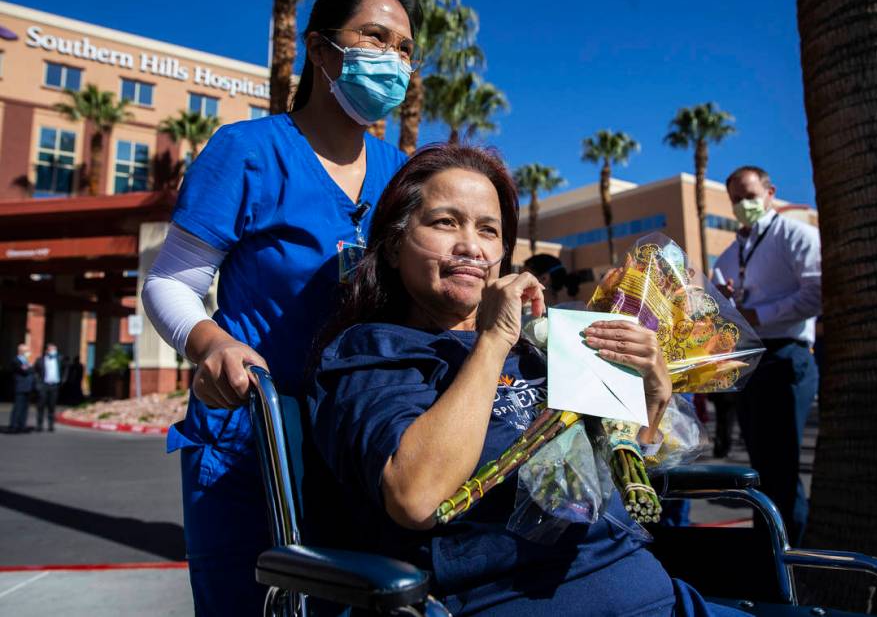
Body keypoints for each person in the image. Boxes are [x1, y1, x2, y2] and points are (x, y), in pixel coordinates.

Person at [310, 144, 747, 616]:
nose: (471, 246)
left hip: (659, 594)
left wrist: (652, 400)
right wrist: (492, 339)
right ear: (394, 245)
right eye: (445, 222)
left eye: (488, 230)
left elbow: (609, 490)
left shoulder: (544, 348)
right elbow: (415, 497)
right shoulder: (372, 350)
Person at [140, 0, 417, 614]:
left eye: (404, 49)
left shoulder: (402, 177)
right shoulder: (247, 151)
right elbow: (171, 283)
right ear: (320, 52)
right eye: (375, 38)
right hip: (250, 436)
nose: (394, 61)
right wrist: (209, 342)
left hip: (356, 442)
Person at [711, 165, 821, 545]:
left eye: (750, 196)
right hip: (749, 360)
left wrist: (762, 314)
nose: (744, 205)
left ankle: (794, 553)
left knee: (783, 468)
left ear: (770, 192)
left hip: (786, 354)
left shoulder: (797, 236)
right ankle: (771, 549)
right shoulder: (727, 255)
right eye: (736, 199)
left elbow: (816, 294)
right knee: (762, 466)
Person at [33, 343, 63, 432]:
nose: (54, 351)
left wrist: (62, 380)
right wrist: (38, 384)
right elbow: (35, 372)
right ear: (46, 351)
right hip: (44, 385)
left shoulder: (59, 359)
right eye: (52, 349)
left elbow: (66, 369)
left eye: (55, 349)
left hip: (54, 385)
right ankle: (39, 425)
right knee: (41, 406)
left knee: (52, 406)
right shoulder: (40, 360)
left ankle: (51, 425)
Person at [8, 344, 34, 433]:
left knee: (25, 408)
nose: (28, 352)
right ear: (21, 351)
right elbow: (25, 371)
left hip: (27, 387)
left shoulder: (25, 361)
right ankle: (13, 426)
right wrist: (30, 366)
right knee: (18, 407)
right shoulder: (16, 360)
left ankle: (22, 425)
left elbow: (30, 370)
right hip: (19, 387)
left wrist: (29, 366)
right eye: (26, 351)